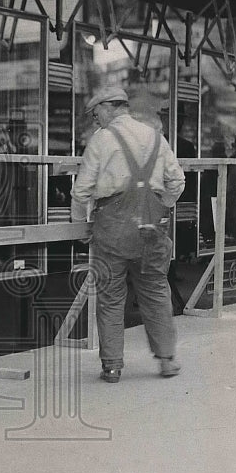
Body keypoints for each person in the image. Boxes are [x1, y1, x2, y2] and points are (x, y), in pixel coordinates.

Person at [71, 87, 186, 382]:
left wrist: (79, 227)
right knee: (156, 290)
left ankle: (112, 366)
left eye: (96, 114)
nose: (96, 121)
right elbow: (177, 181)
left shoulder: (102, 140)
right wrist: (160, 204)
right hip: (152, 225)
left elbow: (81, 190)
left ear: (109, 108)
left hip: (112, 225)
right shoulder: (155, 137)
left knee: (110, 296)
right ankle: (167, 360)